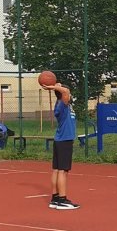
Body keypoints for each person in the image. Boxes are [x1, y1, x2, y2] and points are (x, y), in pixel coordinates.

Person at [40, 80, 80, 210]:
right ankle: (62, 199)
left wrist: (56, 87)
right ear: (64, 95)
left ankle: (55, 198)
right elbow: (65, 91)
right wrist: (53, 87)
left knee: (57, 170)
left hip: (60, 139)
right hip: (64, 140)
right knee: (63, 171)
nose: (69, 94)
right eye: (67, 92)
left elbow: (65, 92)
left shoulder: (62, 104)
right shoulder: (62, 104)